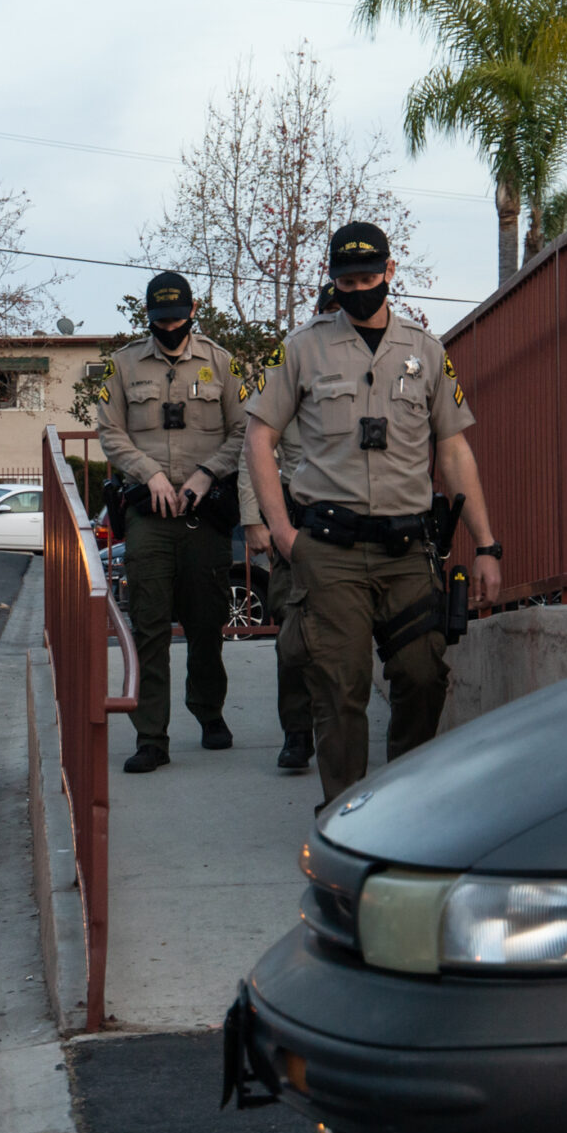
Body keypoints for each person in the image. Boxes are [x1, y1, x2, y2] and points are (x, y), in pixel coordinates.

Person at [244, 223, 503, 807]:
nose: (357, 289)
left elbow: (455, 449)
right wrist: (284, 532)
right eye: (346, 281)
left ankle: (400, 805)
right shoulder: (302, 348)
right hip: (330, 550)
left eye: (367, 278)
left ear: (389, 272)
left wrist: (485, 544)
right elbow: (259, 438)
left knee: (421, 674)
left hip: (408, 550)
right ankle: (346, 811)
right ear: (332, 280)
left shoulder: (426, 351)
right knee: (340, 686)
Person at [95, 271, 248, 774]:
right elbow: (109, 431)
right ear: (149, 318)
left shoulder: (222, 363)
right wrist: (150, 473)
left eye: (177, 318)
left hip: (204, 514)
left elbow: (245, 429)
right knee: (151, 626)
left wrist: (207, 474)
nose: (169, 328)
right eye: (160, 320)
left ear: (193, 310)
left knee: (207, 624)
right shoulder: (121, 366)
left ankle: (209, 713)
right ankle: (151, 737)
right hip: (149, 515)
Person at [238, 281, 338, 773]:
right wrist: (255, 520)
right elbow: (253, 452)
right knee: (294, 638)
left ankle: (336, 734)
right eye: (331, 312)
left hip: (354, 523)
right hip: (295, 525)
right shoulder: (288, 364)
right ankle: (297, 735)